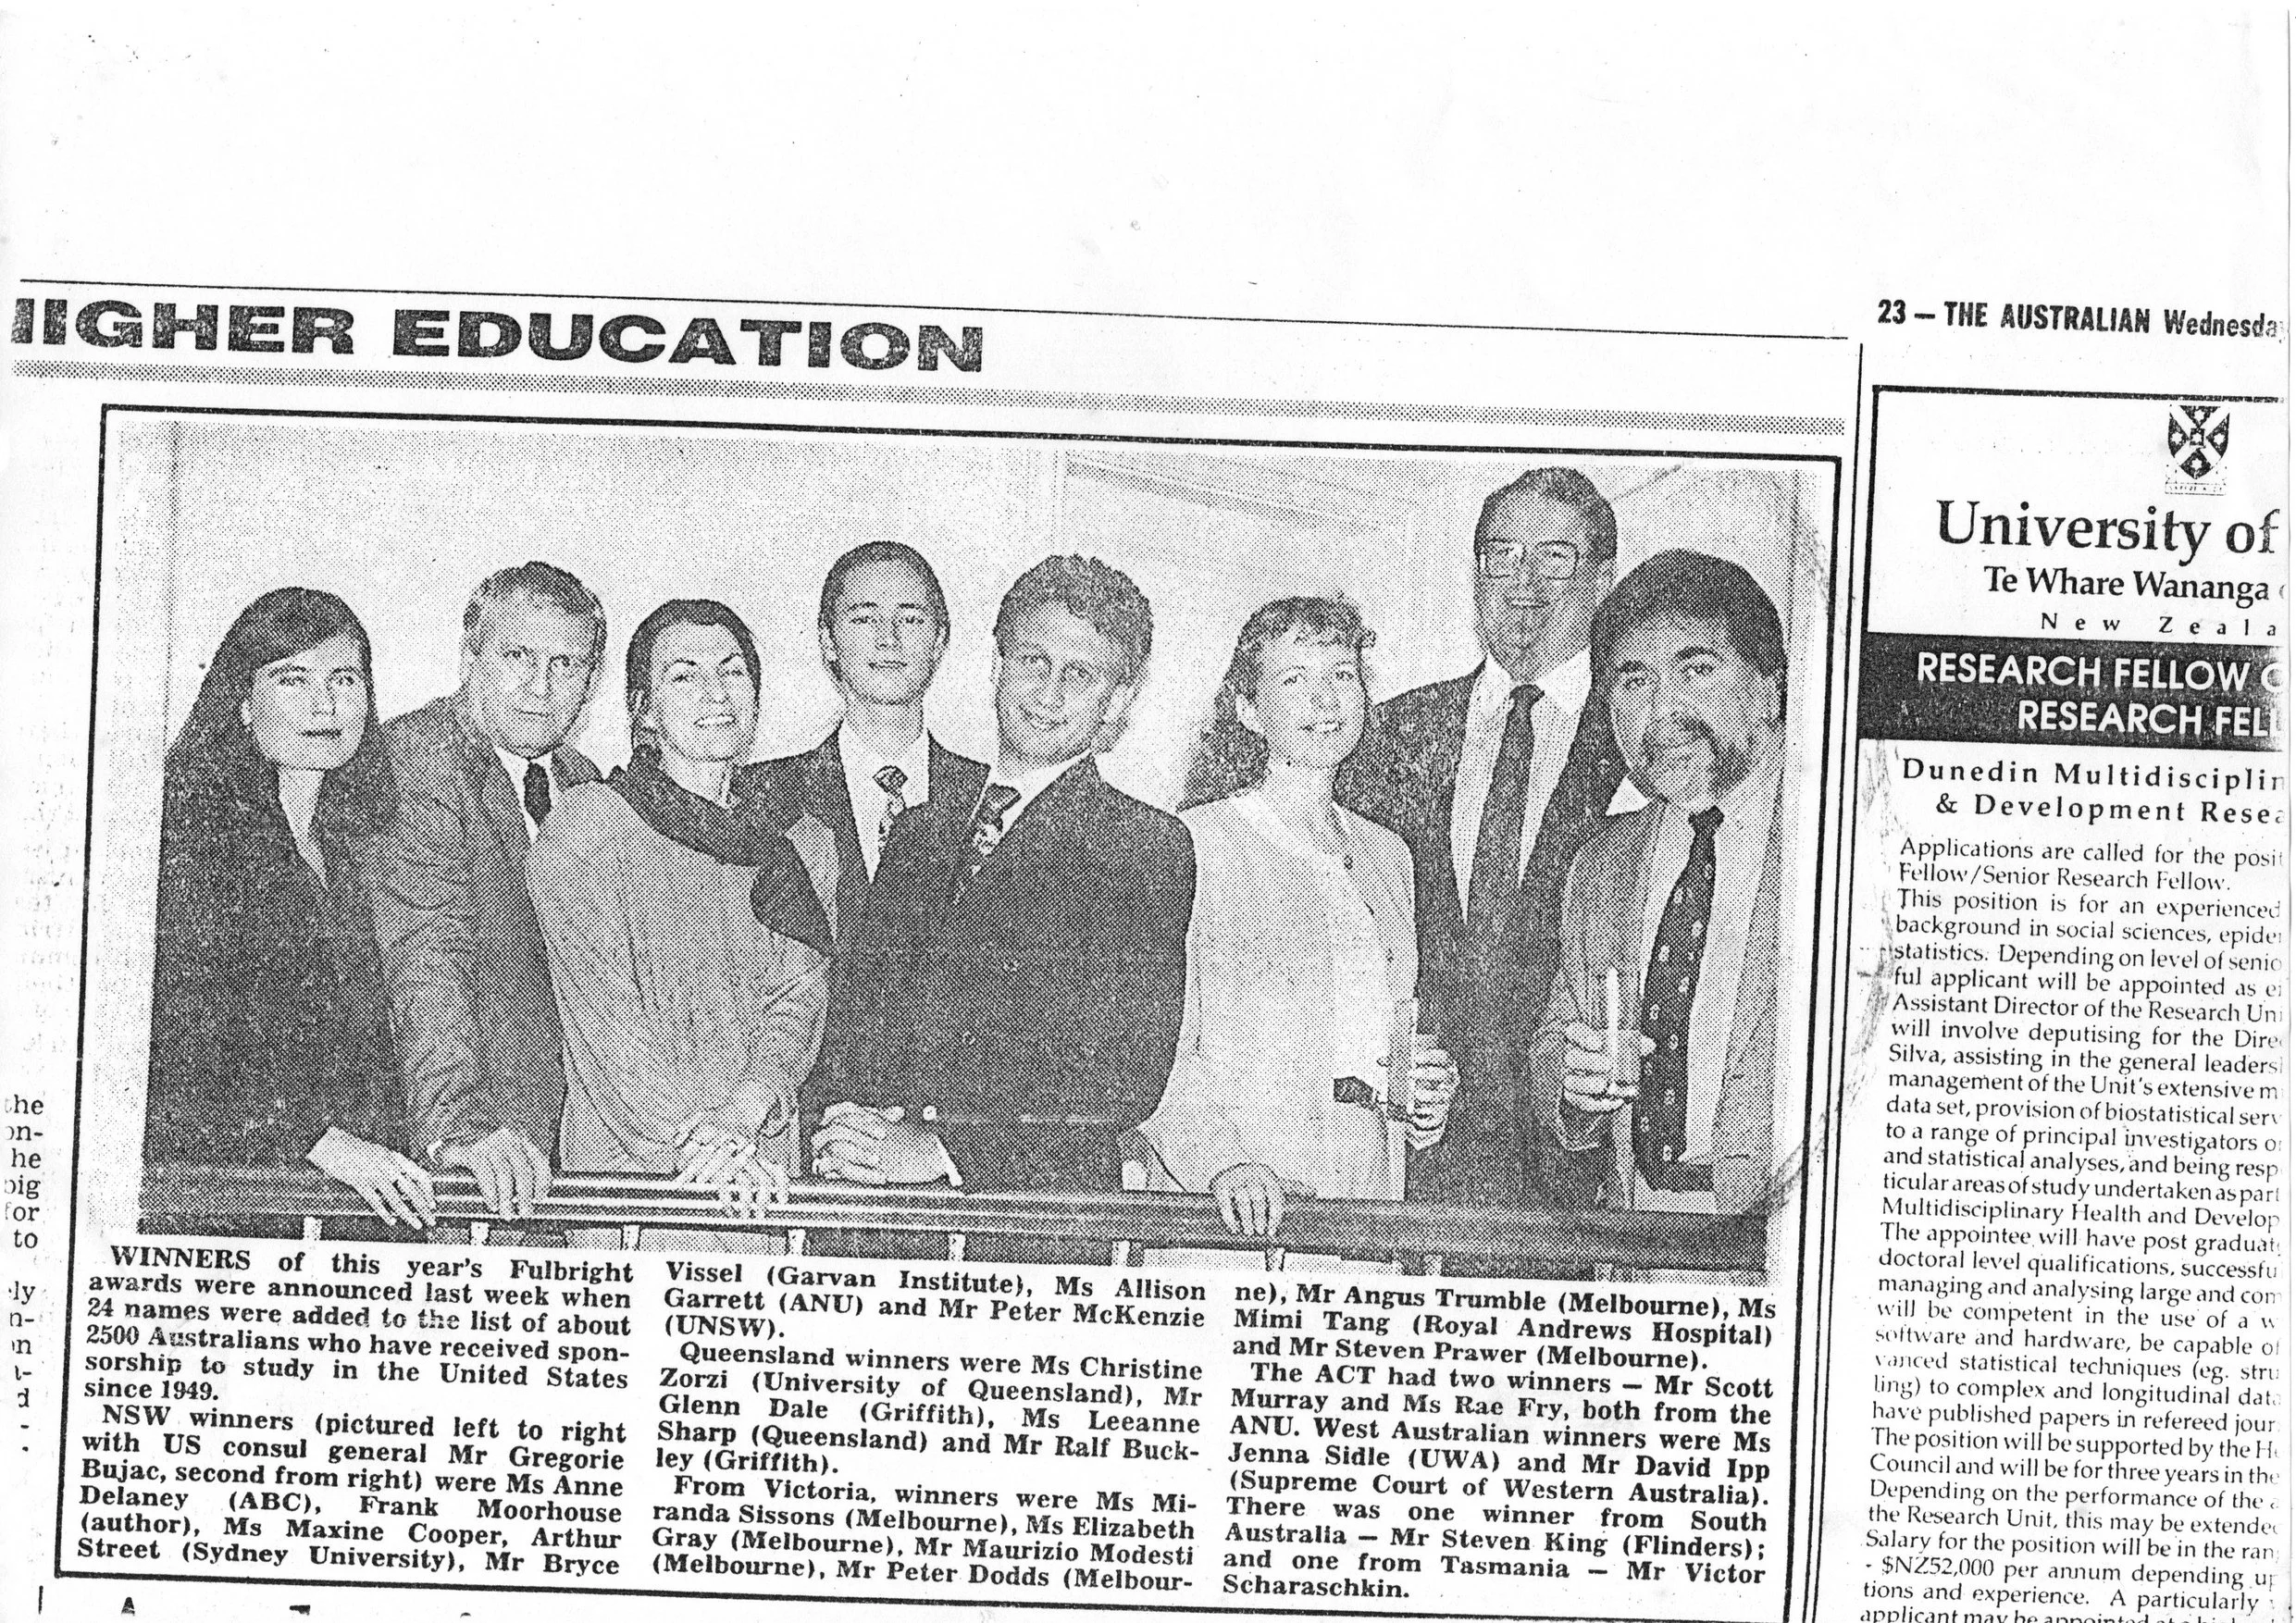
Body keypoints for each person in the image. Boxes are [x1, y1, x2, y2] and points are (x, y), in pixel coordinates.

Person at [809, 554, 1196, 1263]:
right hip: (879, 1221)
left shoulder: (1143, 844)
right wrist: (844, 1128)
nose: (1046, 692)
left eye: (1078, 675)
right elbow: (861, 1011)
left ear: (1117, 701)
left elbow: (1122, 1076)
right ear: (995, 666)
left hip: (1022, 1230)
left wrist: (943, 1149)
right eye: (1032, 661)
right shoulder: (924, 826)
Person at [1338, 466, 1628, 1210]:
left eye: (1553, 556)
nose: (1521, 579)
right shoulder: (1394, 730)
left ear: (1601, 578)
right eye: (1500, 556)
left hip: (1577, 1167)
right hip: (1412, 1153)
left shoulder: (1640, 735)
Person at [1142, 597, 1458, 1256]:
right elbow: (1153, 1052)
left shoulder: (1388, 854)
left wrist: (1420, 1100)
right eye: (1294, 679)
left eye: (1341, 675)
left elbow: (1379, 1039)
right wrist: (1220, 1163)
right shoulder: (1192, 844)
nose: (1324, 700)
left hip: (1365, 1203)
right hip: (1233, 1213)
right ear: (1247, 709)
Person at [527, 600, 837, 1249]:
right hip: (638, 1177)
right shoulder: (589, 826)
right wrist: (706, 1142)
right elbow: (607, 1024)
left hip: (758, 1169)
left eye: (732, 672)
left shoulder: (803, 842)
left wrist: (746, 1112)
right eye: (684, 676)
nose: (715, 693)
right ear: (644, 710)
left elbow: (799, 1002)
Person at [144, 587, 428, 1234]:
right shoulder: (193, 829)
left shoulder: (352, 842)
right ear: (242, 702)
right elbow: (185, 1036)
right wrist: (322, 1141)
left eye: (344, 678)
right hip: (225, 1196)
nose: (325, 703)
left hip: (342, 1198)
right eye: (292, 679)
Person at [1530, 550, 1786, 1222]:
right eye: (1634, 682)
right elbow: (1559, 1034)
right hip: (1632, 1235)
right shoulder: (1601, 861)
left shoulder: (1836, 841)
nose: (1662, 710)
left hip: (1782, 1243)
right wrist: (1570, 1083)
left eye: (1696, 670)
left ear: (1767, 690)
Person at [369, 562, 605, 1224]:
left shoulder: (582, 781)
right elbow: (425, 951)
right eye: (518, 657)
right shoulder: (420, 759)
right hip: (473, 1163)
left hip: (567, 1154)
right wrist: (458, 1126)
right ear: (471, 656)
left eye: (567, 664)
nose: (540, 686)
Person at [761, 541, 987, 949]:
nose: (889, 640)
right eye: (865, 619)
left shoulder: (985, 798)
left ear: (939, 642)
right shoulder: (766, 791)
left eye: (911, 619)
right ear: (828, 641)